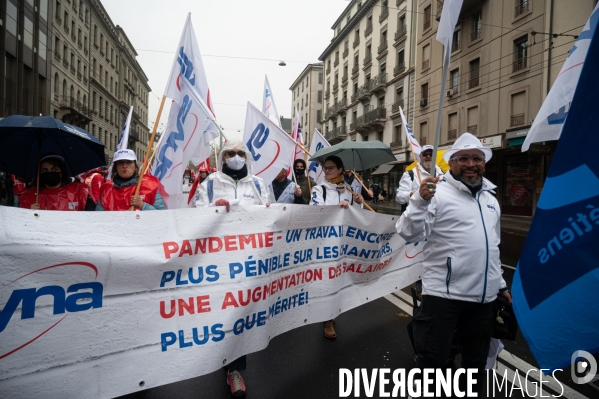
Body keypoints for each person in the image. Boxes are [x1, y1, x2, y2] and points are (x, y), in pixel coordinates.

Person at [395, 133, 511, 395]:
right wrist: (419, 200)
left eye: (476, 158)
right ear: (452, 163)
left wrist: (501, 284)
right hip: (444, 297)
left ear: (484, 162)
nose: (471, 164)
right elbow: (407, 231)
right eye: (463, 159)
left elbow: (493, 247)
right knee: (433, 361)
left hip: (483, 300)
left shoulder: (490, 199)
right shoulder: (436, 193)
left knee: (475, 365)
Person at [195, 140, 270, 397]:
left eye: (240, 153)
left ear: (246, 156)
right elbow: (193, 217)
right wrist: (211, 210)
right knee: (219, 312)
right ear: (222, 157)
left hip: (249, 262)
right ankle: (217, 355)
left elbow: (269, 219)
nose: (236, 157)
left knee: (240, 313)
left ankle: (234, 369)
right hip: (217, 263)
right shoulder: (210, 184)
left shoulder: (259, 184)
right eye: (230, 153)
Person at [310, 155, 364, 339]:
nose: (326, 171)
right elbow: (315, 211)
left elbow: (358, 217)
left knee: (339, 278)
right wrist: (337, 209)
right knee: (327, 278)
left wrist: (358, 203)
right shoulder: (319, 189)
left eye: (331, 168)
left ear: (341, 170)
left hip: (344, 242)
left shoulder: (349, 190)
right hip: (326, 243)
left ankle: (332, 311)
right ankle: (327, 319)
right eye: (325, 168)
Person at [96, 149, 166, 211]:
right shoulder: (106, 191)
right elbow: (99, 219)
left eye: (129, 162)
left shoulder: (150, 186)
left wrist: (142, 205)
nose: (124, 166)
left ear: (135, 166)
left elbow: (162, 215)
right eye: (120, 162)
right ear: (115, 167)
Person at [19, 155, 95, 211]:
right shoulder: (29, 196)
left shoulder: (80, 191)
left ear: (61, 172)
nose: (50, 173)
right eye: (45, 170)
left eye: (54, 169)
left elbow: (90, 219)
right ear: (40, 173)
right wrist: (28, 214)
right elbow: (21, 223)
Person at [396, 145, 443, 211]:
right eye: (425, 154)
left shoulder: (441, 174)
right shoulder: (410, 174)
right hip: (417, 217)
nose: (428, 156)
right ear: (420, 157)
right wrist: (414, 194)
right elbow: (399, 197)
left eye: (431, 154)